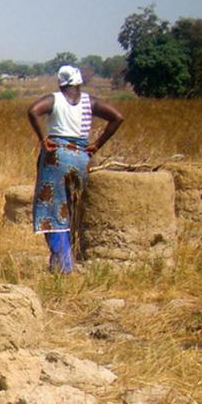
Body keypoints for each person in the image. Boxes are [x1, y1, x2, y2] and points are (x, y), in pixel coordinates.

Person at [27, 65, 124, 273]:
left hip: (56, 156)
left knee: (52, 210)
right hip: (81, 158)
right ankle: (65, 259)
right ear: (79, 82)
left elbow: (33, 111)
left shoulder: (55, 99)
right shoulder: (91, 102)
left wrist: (43, 139)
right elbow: (118, 117)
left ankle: (64, 265)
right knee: (71, 208)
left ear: (60, 82)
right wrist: (96, 145)